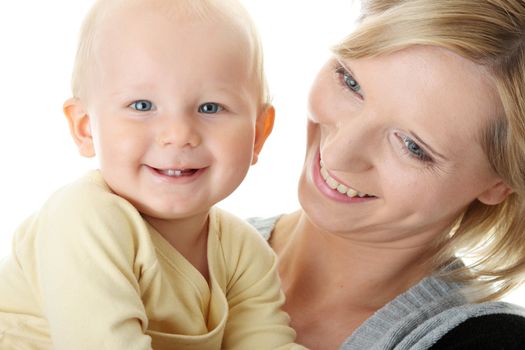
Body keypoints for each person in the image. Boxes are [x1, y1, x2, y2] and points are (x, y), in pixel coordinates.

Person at [0, 0, 305, 349]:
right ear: (85, 128)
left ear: (258, 133)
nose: (178, 133)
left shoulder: (245, 252)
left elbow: (266, 343)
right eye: (142, 106)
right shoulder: (83, 218)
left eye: (211, 107)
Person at [248, 0, 525, 349]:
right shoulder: (175, 249)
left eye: (412, 146)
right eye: (351, 83)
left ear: (500, 183)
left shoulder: (489, 342)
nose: (337, 154)